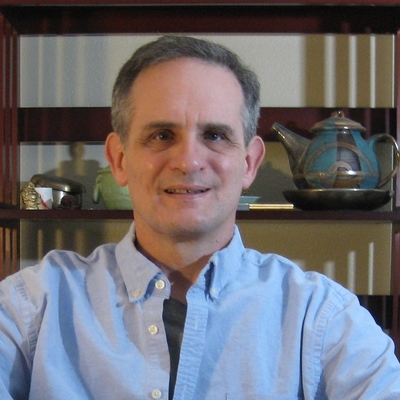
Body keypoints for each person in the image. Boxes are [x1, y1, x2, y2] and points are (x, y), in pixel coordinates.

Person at [1, 35, 400, 400]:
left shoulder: (323, 318)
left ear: (249, 163)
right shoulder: (32, 306)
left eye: (214, 135)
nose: (189, 161)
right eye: (162, 135)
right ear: (119, 159)